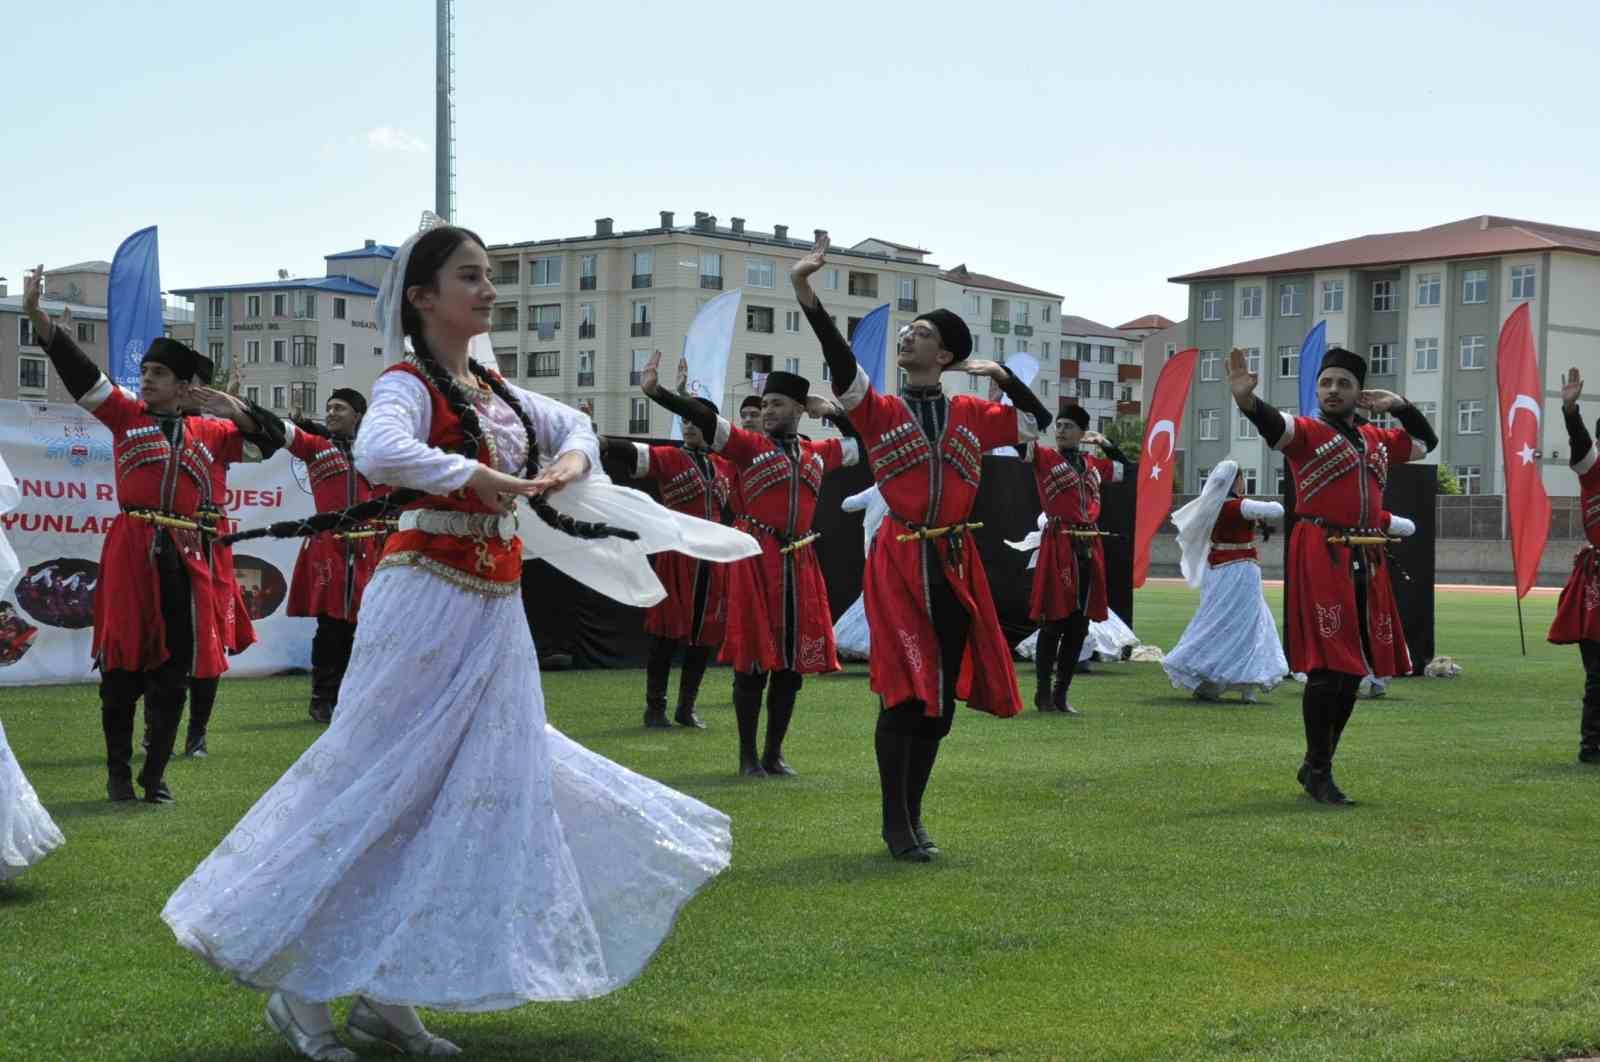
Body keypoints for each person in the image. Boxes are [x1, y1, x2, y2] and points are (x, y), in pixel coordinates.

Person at [163, 222, 734, 1061]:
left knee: (474, 791)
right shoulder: (406, 383)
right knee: (377, 781)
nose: (489, 290)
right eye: (471, 276)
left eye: (489, 276)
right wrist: (477, 475)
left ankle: (390, 997)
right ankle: (302, 992)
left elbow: (573, 424)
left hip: (493, 607)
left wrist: (570, 467)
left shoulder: (498, 391)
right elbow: (381, 452)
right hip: (424, 596)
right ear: (424, 297)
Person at [791, 234, 1051, 861]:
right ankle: (895, 823)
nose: (908, 337)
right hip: (902, 559)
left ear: (948, 352)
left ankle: (914, 813)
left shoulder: (972, 411)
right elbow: (842, 365)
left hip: (957, 563)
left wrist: (1004, 377)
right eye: (906, 331)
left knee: (937, 704)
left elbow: (1039, 423)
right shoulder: (877, 409)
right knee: (905, 691)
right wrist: (807, 294)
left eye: (922, 331)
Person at [24, 266, 262, 804]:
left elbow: (267, 440)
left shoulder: (213, 432)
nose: (146, 377)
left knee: (173, 666)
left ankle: (154, 775)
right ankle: (116, 773)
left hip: (186, 555)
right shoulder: (126, 416)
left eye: (158, 372)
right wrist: (40, 320)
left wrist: (235, 407)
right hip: (132, 548)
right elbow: (83, 375)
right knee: (121, 661)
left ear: (184, 388)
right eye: (146, 369)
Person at [1229, 346, 1433, 805]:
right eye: (1326, 383)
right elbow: (1273, 425)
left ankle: (1317, 764)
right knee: (1329, 667)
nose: (1333, 390)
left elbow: (1425, 443)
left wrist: (1399, 405)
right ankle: (1319, 770)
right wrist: (1246, 401)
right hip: (1323, 551)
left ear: (1360, 391)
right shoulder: (1306, 432)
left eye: (1343, 382)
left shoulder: (1378, 440)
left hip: (1367, 554)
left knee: (1352, 670)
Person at [639, 351, 857, 777]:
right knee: (754, 663)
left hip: (800, 562)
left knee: (791, 667)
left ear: (798, 409)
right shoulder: (747, 446)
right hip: (758, 559)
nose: (768, 411)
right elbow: (703, 419)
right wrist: (660, 393)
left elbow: (860, 445)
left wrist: (830, 410)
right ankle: (746, 756)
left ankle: (774, 754)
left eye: (778, 403)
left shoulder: (819, 452)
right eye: (765, 403)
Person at [601, 380, 735, 729]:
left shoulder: (726, 465)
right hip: (677, 556)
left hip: (714, 559)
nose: (689, 425)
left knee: (704, 635)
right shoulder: (671, 457)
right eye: (684, 421)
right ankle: (655, 707)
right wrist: (595, 439)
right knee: (665, 633)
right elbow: (630, 452)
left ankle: (686, 707)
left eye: (695, 420)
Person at [282, 389, 386, 725]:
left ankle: (354, 698)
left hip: (370, 547)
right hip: (331, 546)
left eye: (339, 408)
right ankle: (321, 698)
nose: (331, 413)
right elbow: (278, 432)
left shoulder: (377, 452)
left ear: (358, 415)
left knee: (365, 625)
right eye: (328, 408)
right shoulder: (315, 446)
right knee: (331, 626)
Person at [1025, 407, 1132, 715]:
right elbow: (1021, 442)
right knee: (1054, 623)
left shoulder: (1093, 465)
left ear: (1082, 433)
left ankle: (1061, 694)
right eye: (1058, 426)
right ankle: (1043, 692)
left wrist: (1106, 444)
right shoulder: (1044, 458)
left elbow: (1128, 469)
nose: (1060, 431)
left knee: (1078, 626)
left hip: (1089, 544)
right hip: (1060, 543)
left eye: (1068, 426)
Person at [1162, 461, 1289, 702]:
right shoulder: (1239, 506)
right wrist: (1252, 505)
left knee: (1217, 619)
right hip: (1241, 569)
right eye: (1242, 479)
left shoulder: (1209, 505)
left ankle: (1212, 678)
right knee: (1246, 623)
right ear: (1236, 481)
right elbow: (1277, 509)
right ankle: (1244, 681)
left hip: (1216, 568)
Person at [1548, 368, 1600, 762]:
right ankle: (1591, 747)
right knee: (1598, 676)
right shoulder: (1593, 471)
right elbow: (1580, 446)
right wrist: (1570, 408)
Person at [832, 484, 889, 661]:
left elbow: (848, 504)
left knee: (879, 594)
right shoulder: (896, 485)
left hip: (878, 546)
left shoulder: (879, 487)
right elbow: (847, 504)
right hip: (885, 546)